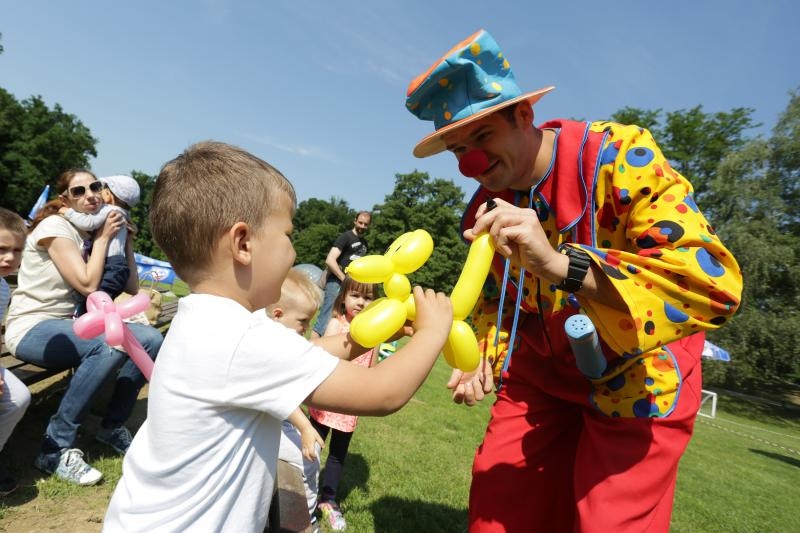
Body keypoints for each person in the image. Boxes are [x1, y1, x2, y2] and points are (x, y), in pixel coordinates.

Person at [405, 29, 743, 532]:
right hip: (542, 378)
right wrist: (483, 355)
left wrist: (563, 265)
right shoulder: (483, 210)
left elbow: (711, 284)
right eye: (458, 150)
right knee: (500, 503)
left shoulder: (621, 158)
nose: (470, 164)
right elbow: (500, 303)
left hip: (641, 378)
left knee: (610, 520)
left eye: (481, 138)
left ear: (524, 115)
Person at [102, 141, 453, 532]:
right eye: (288, 234)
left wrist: (375, 333)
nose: (294, 248)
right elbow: (383, 391)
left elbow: (309, 351)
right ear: (243, 243)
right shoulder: (244, 339)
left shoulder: (206, 320)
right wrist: (433, 332)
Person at [4, 169, 163, 486]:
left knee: (150, 339)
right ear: (65, 199)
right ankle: (55, 448)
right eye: (78, 191)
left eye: (95, 187)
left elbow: (131, 284)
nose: (89, 194)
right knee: (106, 346)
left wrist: (125, 241)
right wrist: (104, 238)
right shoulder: (55, 227)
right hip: (32, 327)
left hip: (70, 326)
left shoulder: (88, 233)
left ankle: (110, 425)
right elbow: (89, 285)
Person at [308, 275, 377, 531]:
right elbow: (322, 358)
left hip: (350, 404)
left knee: (338, 454)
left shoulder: (374, 332)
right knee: (312, 446)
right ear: (344, 297)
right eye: (356, 296)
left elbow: (372, 364)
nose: (360, 303)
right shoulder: (337, 326)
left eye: (368, 298)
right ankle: (305, 490)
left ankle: (328, 499)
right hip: (327, 399)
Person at [267, 268, 326, 530]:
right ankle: (307, 518)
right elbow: (276, 394)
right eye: (303, 321)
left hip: (274, 423)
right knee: (309, 459)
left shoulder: (276, 339)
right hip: (269, 427)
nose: (306, 329)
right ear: (278, 315)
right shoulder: (271, 346)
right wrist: (304, 427)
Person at [59, 174, 141, 315]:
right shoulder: (123, 214)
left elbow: (89, 223)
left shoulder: (109, 210)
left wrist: (69, 213)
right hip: (118, 266)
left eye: (99, 189)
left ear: (109, 195)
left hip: (111, 265)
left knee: (96, 302)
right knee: (102, 300)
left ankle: (86, 318)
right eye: (79, 191)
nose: (95, 195)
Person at [0, 208, 31, 496]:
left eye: (17, 250)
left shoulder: (3, 289)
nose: (10, 257)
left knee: (19, 397)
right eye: (2, 249)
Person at [311, 211, 371, 339]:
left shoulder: (365, 244)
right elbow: (330, 260)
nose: (362, 226)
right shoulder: (345, 237)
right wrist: (344, 279)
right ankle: (309, 350)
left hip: (351, 287)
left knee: (340, 321)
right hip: (336, 283)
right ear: (355, 221)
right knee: (324, 320)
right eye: (360, 222)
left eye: (365, 224)